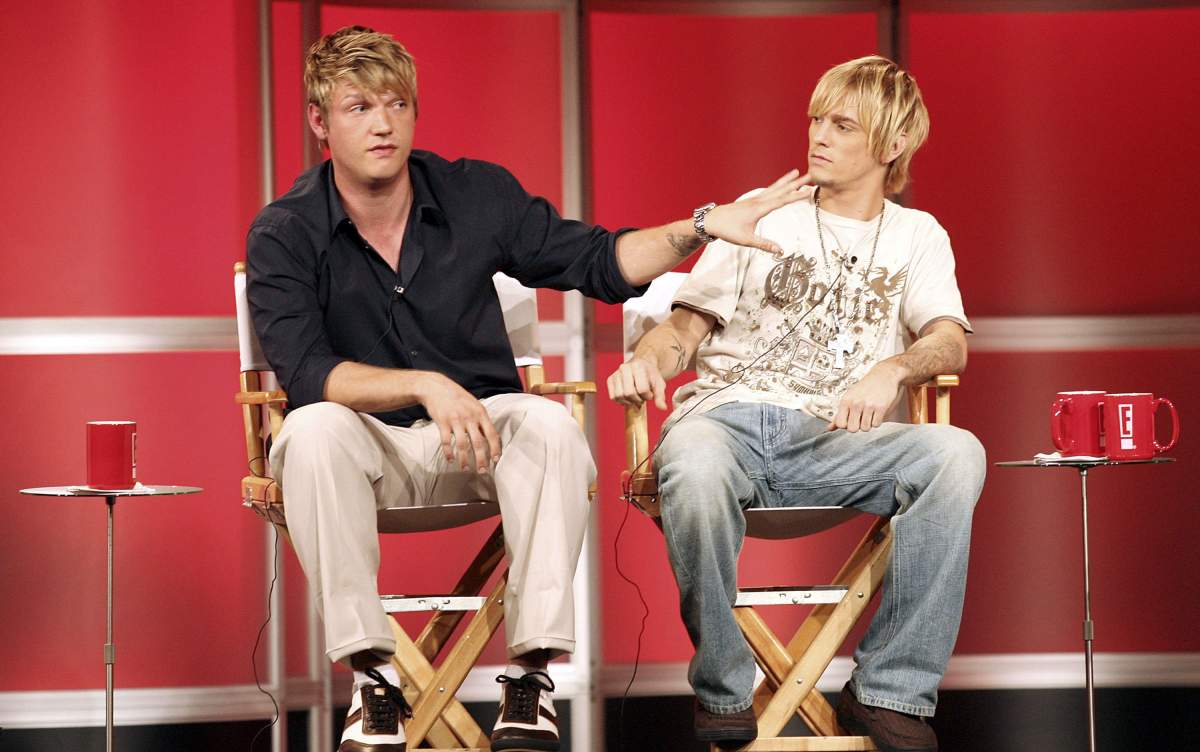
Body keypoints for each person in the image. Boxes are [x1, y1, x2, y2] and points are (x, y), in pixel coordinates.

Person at [247, 25, 809, 752]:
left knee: (549, 426)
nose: (383, 124)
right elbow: (307, 373)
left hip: (477, 439)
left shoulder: (474, 194)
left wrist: (701, 226)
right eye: (359, 107)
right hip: (364, 452)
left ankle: (530, 678)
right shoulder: (285, 231)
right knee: (311, 426)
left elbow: (600, 261)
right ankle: (373, 679)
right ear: (320, 122)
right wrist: (427, 385)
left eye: (396, 104)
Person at [607, 55, 986, 752]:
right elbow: (683, 330)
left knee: (956, 455)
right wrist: (645, 360)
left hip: (837, 441)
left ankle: (890, 691)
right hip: (727, 424)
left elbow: (948, 341)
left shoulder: (919, 235)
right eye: (816, 119)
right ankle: (723, 689)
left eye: (842, 124)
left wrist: (894, 369)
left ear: (894, 142)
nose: (818, 135)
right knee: (692, 461)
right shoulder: (764, 210)